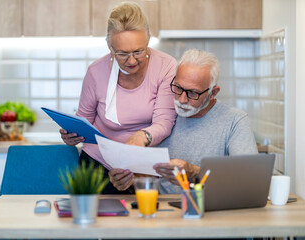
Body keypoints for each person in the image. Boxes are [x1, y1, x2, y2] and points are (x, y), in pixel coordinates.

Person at [59, 2, 177, 194]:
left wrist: (141, 136)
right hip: (98, 164)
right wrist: (72, 134)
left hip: (142, 166)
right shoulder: (96, 72)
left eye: (139, 51)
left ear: (148, 40)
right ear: (110, 47)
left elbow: (164, 121)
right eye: (122, 53)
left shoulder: (166, 66)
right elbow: (84, 121)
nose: (131, 61)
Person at [152, 49, 259, 194]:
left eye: (193, 93)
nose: (182, 100)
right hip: (162, 210)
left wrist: (195, 172)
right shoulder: (161, 112)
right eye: (178, 88)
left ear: (213, 93)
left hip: (211, 209)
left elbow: (249, 178)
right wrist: (130, 177)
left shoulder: (235, 120)